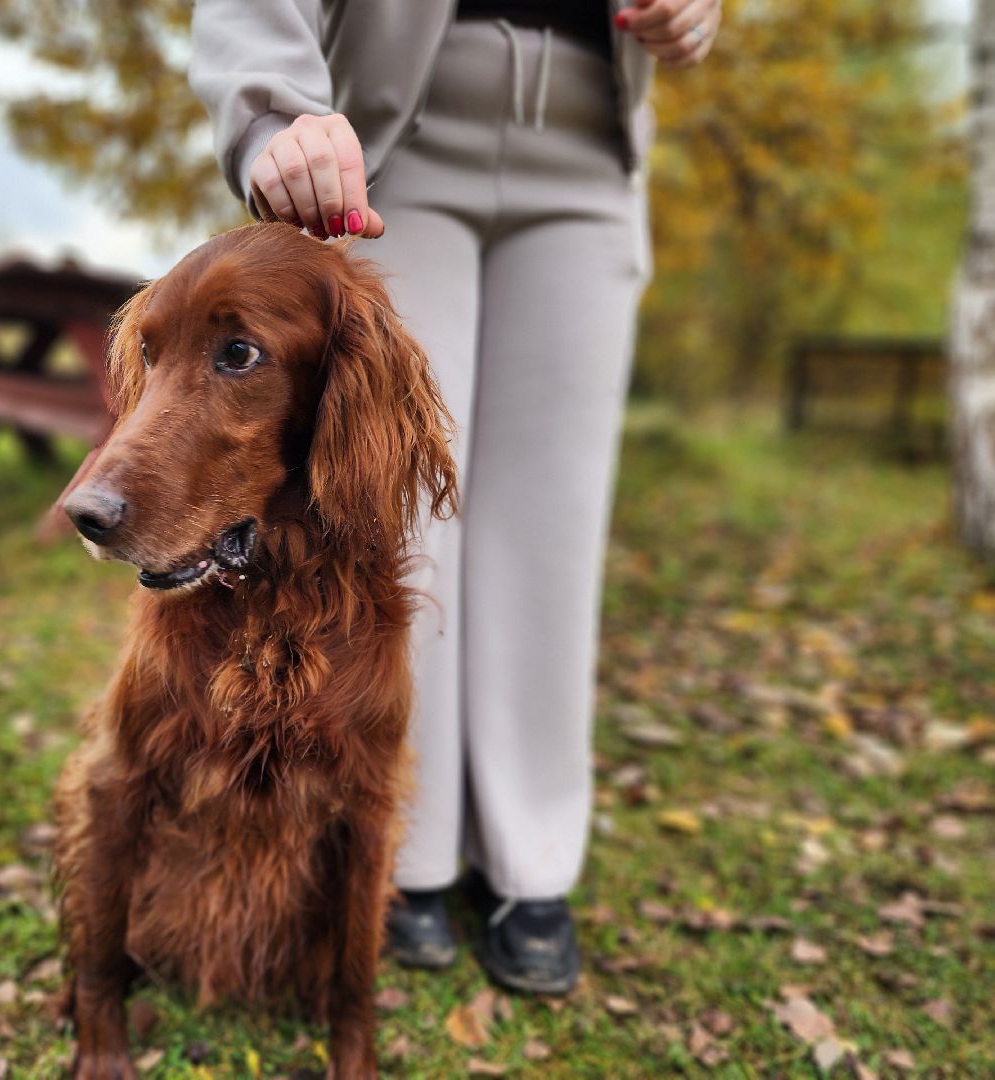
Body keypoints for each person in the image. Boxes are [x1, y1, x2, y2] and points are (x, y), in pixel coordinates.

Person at [188, 0, 719, 995]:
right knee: (403, 522)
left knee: (553, 531)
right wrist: (268, 111)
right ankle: (407, 852)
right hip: (399, 145)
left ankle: (533, 861)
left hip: (593, 154)